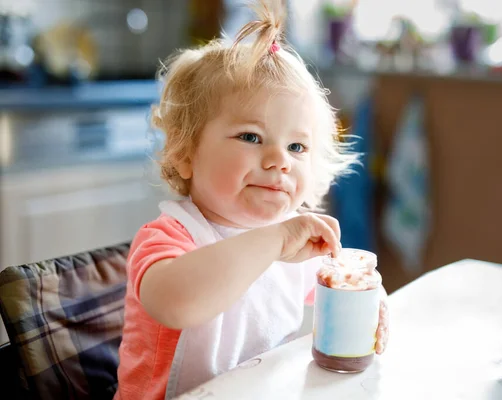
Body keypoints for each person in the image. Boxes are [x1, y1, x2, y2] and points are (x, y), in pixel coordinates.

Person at [114, 1, 389, 399]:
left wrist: (366, 294)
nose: (279, 161)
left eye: (297, 146)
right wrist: (275, 241)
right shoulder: (168, 238)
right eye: (251, 137)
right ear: (186, 154)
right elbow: (177, 304)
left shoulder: (293, 243)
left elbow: (333, 294)